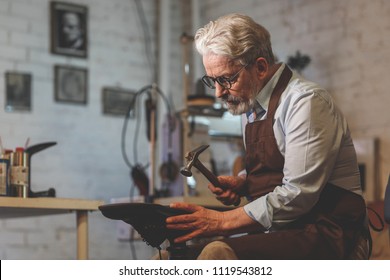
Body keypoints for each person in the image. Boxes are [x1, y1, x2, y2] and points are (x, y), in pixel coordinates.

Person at [164, 13, 369, 260]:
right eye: (213, 81)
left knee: (217, 254)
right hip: (284, 231)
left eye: (226, 79)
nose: (219, 92)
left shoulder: (305, 102)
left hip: (330, 233)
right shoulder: (249, 104)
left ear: (260, 67)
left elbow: (297, 194)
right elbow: (278, 168)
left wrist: (220, 221)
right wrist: (245, 181)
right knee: (171, 260)